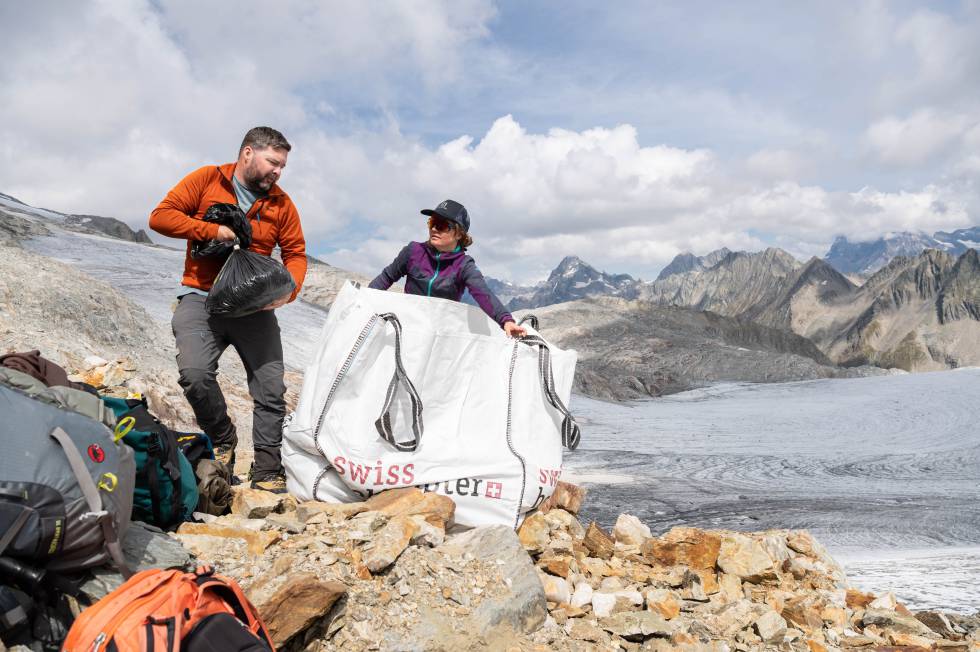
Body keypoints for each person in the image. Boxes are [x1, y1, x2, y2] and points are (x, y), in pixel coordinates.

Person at [149, 126, 307, 493]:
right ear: (248, 153)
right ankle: (223, 437)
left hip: (254, 307)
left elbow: (296, 253)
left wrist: (289, 291)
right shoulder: (207, 179)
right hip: (200, 297)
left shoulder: (282, 203)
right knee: (194, 373)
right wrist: (210, 231)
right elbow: (160, 217)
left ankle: (267, 470)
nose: (278, 172)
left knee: (270, 387)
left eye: (283, 166)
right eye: (273, 162)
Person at [369, 199, 526, 337]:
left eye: (442, 225)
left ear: (459, 234)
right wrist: (364, 300)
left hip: (440, 336)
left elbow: (483, 293)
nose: (434, 229)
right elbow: (386, 278)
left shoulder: (464, 265)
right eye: (432, 223)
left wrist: (506, 321)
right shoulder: (413, 251)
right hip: (407, 329)